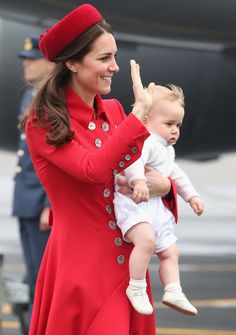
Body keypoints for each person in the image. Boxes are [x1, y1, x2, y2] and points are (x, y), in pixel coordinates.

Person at [20, 4, 176, 335]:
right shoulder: (44, 121)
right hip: (82, 272)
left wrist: (166, 186)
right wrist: (138, 117)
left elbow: (149, 171)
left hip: (129, 274)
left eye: (115, 57)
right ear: (73, 62)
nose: (115, 67)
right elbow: (92, 170)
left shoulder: (115, 112)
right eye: (104, 58)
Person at [114, 84, 204, 316]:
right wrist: (139, 181)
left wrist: (191, 195)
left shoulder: (165, 149)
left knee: (171, 251)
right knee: (146, 242)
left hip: (153, 207)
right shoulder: (145, 142)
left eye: (178, 125)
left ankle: (173, 290)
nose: (175, 130)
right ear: (145, 120)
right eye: (169, 124)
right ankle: (136, 287)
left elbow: (175, 173)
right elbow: (133, 161)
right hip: (134, 205)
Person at [12, 36, 54, 305]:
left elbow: (54, 157)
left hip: (42, 203)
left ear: (50, 62)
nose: (26, 63)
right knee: (33, 275)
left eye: (33, 58)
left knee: (44, 277)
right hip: (26, 199)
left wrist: (51, 204)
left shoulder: (53, 99)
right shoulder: (30, 95)